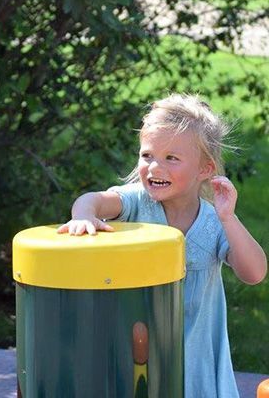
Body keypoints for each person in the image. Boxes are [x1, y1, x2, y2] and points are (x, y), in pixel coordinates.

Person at [57, 94, 266, 398]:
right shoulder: (135, 202)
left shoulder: (212, 223)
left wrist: (229, 218)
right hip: (136, 342)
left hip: (192, 354)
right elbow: (93, 200)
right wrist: (84, 215)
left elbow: (255, 273)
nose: (155, 167)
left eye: (171, 158)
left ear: (205, 169)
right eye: (147, 155)